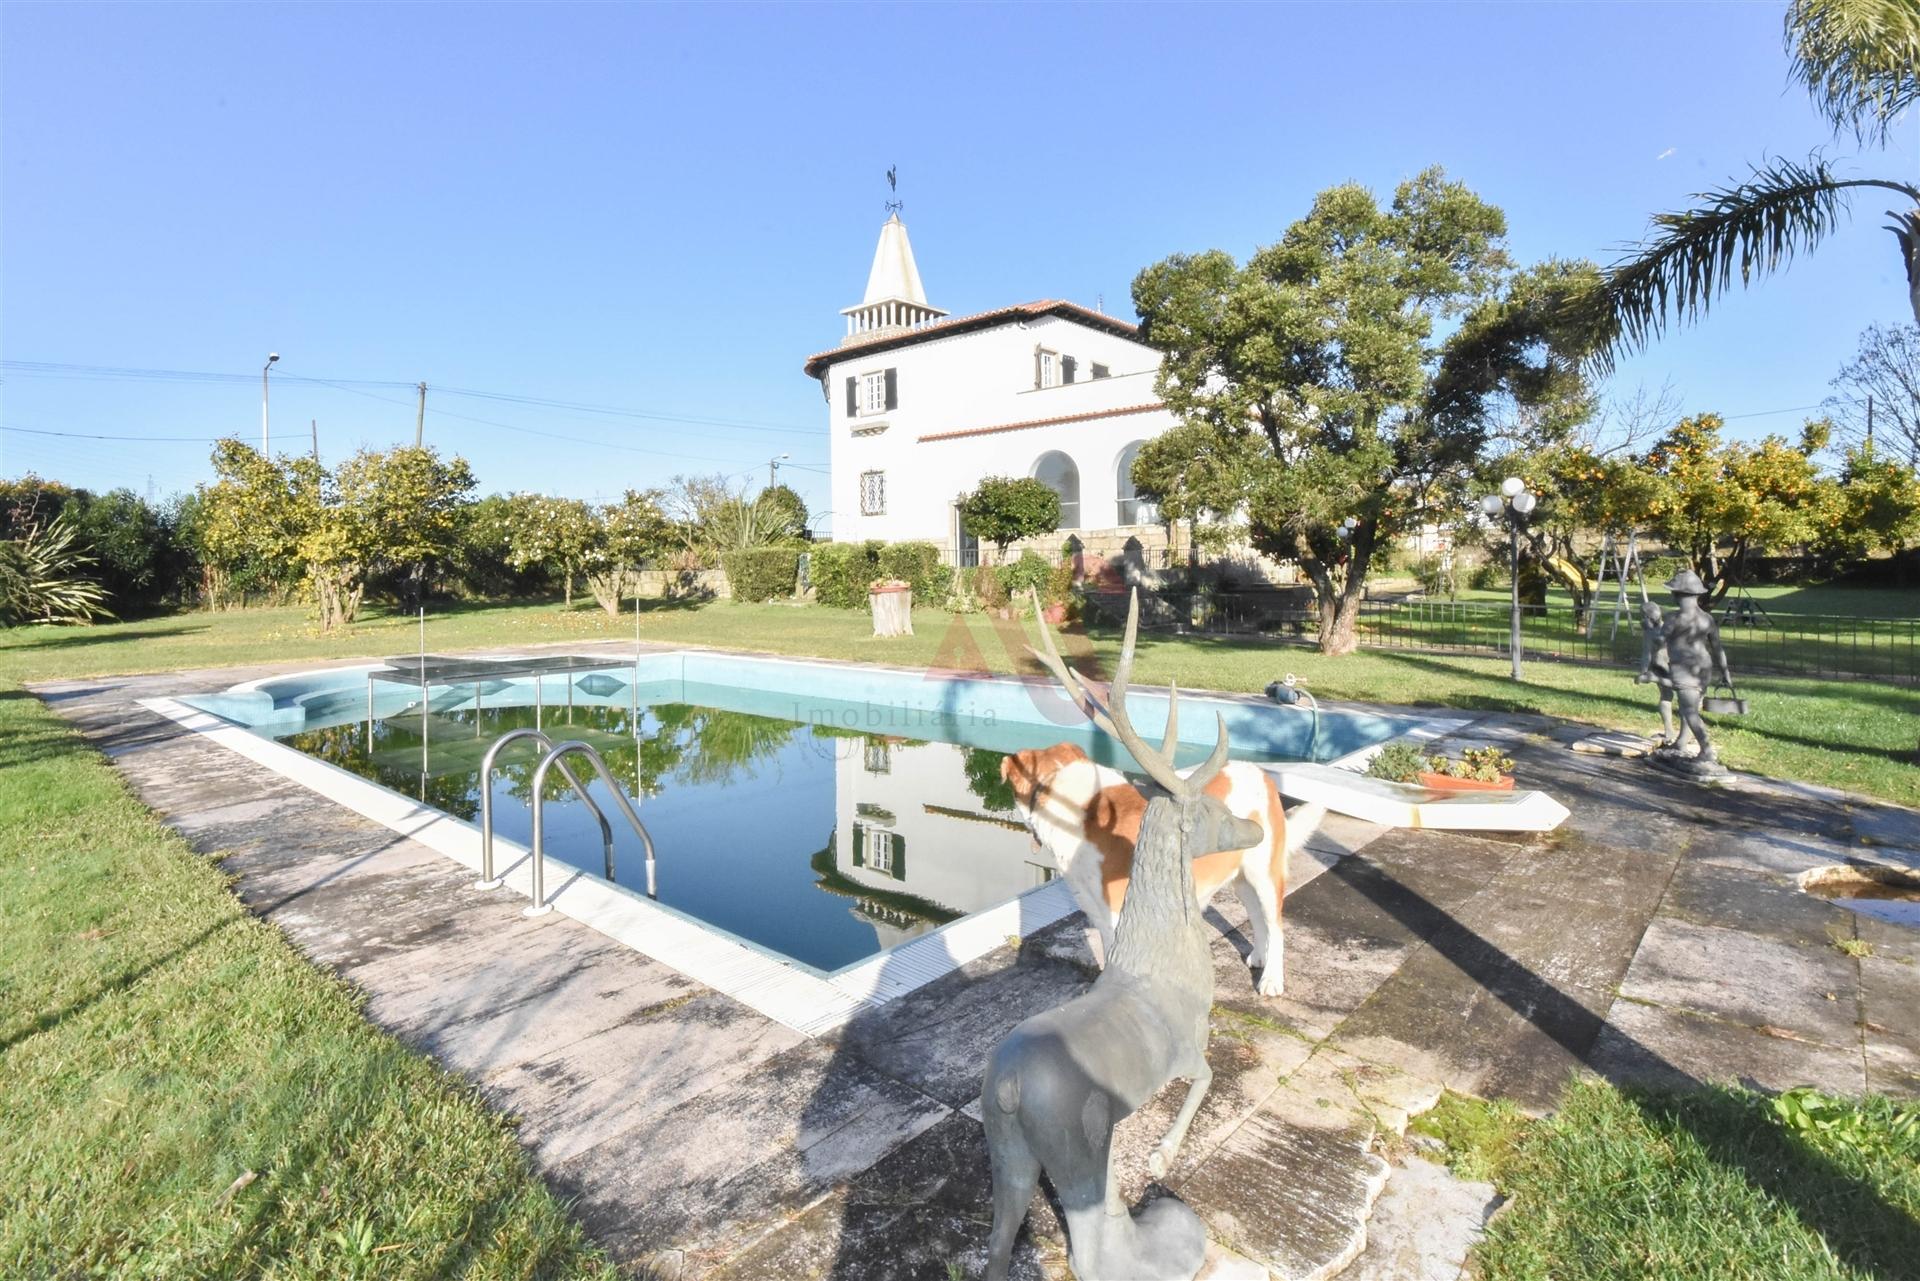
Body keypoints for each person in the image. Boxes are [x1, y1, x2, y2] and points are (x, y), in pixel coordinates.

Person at [1636, 569, 1732, 762]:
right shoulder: (1707, 619)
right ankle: (1681, 741)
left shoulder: (1673, 618)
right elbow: (1717, 648)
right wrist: (1725, 673)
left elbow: (1659, 642)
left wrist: (1649, 630)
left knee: (1689, 711)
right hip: (1704, 667)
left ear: (1677, 594)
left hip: (1684, 668)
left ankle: (1706, 750)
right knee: (1690, 707)